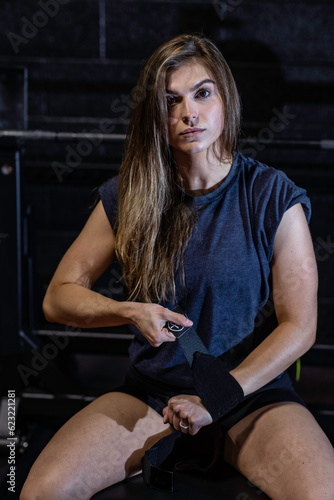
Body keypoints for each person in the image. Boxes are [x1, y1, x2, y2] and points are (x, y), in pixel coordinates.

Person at [20, 34, 334, 500]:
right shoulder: (131, 195)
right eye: (172, 101)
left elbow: (300, 326)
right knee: (41, 491)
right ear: (157, 117)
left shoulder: (271, 195)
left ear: (225, 99)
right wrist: (129, 311)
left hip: (251, 396)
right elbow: (57, 297)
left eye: (202, 93)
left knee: (319, 494)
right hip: (154, 395)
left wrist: (217, 397)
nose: (189, 112)